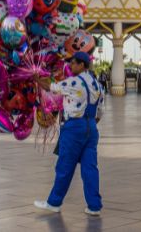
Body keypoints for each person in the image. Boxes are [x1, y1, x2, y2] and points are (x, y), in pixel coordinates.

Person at [34, 51, 104, 216]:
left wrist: (36, 79)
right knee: (90, 168)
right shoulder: (97, 85)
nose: (71, 66)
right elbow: (100, 112)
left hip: (73, 128)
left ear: (81, 65)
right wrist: (89, 124)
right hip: (91, 127)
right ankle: (94, 206)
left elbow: (51, 87)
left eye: (73, 63)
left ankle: (54, 202)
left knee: (65, 166)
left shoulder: (74, 82)